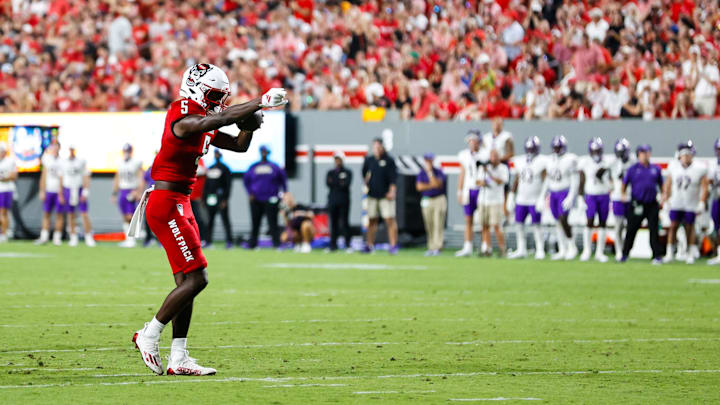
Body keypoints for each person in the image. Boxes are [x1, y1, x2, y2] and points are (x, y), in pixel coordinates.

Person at [131, 62, 286, 376]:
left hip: (181, 200)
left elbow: (239, 146)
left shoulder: (204, 117)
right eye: (214, 94)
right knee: (198, 278)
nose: (218, 100)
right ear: (195, 87)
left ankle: (179, 357)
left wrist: (250, 126)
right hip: (166, 201)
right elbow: (217, 118)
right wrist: (259, 102)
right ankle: (149, 333)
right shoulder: (182, 112)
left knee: (185, 282)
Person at [661, 141, 708, 264]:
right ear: (679, 156)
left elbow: (705, 187)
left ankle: (690, 253)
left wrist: (702, 202)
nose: (686, 157)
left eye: (688, 155)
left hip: (690, 203)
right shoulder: (673, 167)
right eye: (684, 155)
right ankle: (670, 252)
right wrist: (666, 199)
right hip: (676, 202)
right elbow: (667, 184)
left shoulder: (699, 168)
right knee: (673, 226)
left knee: (690, 228)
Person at [620, 144, 663, 264]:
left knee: (654, 230)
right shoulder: (632, 169)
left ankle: (656, 256)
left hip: (652, 203)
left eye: (647, 152)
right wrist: (623, 195)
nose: (645, 155)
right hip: (637, 203)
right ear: (638, 154)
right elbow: (624, 184)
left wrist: (663, 196)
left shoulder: (655, 169)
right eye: (642, 153)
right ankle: (625, 254)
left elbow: (661, 184)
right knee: (631, 229)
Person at [538, 135, 579, 260]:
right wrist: (542, 196)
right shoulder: (550, 160)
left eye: (558, 147)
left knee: (564, 219)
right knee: (557, 221)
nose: (556, 149)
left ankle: (572, 247)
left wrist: (571, 196)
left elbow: (575, 180)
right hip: (553, 193)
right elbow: (548, 180)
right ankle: (562, 249)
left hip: (564, 191)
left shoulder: (570, 159)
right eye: (555, 147)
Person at [508, 136, 547, 259]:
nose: (530, 151)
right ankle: (521, 249)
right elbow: (517, 179)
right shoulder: (520, 161)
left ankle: (540, 249)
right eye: (529, 148)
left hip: (535, 199)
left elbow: (546, 181)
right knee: (519, 224)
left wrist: (543, 197)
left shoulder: (541, 161)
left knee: (537, 225)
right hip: (521, 198)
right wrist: (511, 195)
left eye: (533, 148)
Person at [244, 145, 288, 249]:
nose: (264, 153)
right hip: (256, 199)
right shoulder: (253, 167)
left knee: (273, 222)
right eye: (262, 151)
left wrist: (284, 193)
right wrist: (250, 193)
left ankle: (276, 244)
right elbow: (246, 181)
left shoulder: (274, 167)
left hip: (271, 199)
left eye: (265, 151)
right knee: (255, 223)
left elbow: (283, 180)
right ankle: (253, 244)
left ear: (268, 153)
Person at [361, 138, 398, 254]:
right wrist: (366, 183)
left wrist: (392, 191)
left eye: (378, 147)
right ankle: (370, 245)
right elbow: (364, 173)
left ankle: (393, 245)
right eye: (374, 147)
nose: (376, 149)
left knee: (389, 220)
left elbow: (393, 178)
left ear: (382, 147)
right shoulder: (369, 160)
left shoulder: (389, 160)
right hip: (372, 195)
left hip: (385, 196)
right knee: (372, 220)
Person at [578, 138, 612, 262]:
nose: (596, 153)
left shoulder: (607, 162)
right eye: (594, 150)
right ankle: (587, 250)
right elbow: (581, 181)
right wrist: (580, 198)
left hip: (603, 195)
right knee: (589, 221)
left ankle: (599, 252)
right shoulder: (585, 162)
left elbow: (612, 180)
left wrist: (606, 182)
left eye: (598, 150)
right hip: (591, 195)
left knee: (603, 222)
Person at [455, 130, 485, 257]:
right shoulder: (464, 155)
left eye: (475, 140)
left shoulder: (485, 154)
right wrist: (459, 191)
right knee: (468, 219)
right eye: (471, 140)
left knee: (483, 220)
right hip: (469, 189)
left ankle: (485, 246)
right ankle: (468, 246)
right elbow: (462, 173)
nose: (473, 143)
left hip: (481, 190)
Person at [60, 144, 95, 247]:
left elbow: (86, 176)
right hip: (68, 189)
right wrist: (61, 193)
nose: (71, 152)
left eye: (72, 150)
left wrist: (85, 191)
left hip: (78, 188)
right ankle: (73, 237)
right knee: (70, 214)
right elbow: (62, 178)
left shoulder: (80, 161)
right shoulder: (64, 162)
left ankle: (88, 236)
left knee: (84, 213)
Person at [477, 149, 509, 256]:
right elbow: (477, 181)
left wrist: (489, 173)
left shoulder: (503, 168)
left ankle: (502, 248)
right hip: (484, 200)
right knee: (484, 225)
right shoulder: (484, 167)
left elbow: (501, 181)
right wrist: (483, 182)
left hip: (496, 200)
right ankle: (487, 248)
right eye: (492, 156)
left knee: (496, 225)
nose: (493, 159)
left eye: (495, 156)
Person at [113, 143, 144, 248]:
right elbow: (117, 178)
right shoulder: (120, 163)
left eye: (128, 151)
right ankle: (128, 239)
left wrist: (139, 191)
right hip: (122, 190)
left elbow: (141, 177)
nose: (126, 153)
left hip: (131, 190)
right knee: (124, 215)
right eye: (125, 151)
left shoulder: (136, 163)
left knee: (130, 216)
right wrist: (114, 192)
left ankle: (132, 239)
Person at [416, 153, 447, 256]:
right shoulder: (421, 172)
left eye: (430, 160)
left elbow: (438, 185)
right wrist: (431, 185)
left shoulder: (438, 171)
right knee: (429, 224)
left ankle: (438, 247)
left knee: (438, 223)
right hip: (427, 200)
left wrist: (430, 173)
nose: (428, 162)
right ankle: (431, 247)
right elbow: (419, 187)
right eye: (427, 160)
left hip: (438, 199)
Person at [35, 143, 64, 245]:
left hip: (58, 191)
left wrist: (61, 193)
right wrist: (42, 190)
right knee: (46, 214)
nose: (55, 149)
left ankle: (57, 238)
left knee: (59, 215)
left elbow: (62, 178)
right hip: (48, 190)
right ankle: (44, 237)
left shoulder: (62, 161)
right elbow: (44, 175)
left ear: (59, 148)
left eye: (56, 147)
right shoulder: (47, 159)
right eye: (53, 147)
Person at [204, 150, 233, 249]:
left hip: (221, 198)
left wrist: (225, 199)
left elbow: (228, 185)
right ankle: (208, 241)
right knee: (210, 220)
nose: (216, 156)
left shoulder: (225, 169)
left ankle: (229, 241)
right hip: (211, 198)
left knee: (225, 220)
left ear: (220, 155)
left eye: (218, 154)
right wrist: (204, 198)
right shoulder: (211, 168)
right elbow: (206, 185)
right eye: (215, 154)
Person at [610, 139, 634, 259]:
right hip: (618, 197)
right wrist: (611, 187)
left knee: (630, 226)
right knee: (618, 225)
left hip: (630, 197)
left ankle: (627, 249)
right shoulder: (613, 162)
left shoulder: (633, 162)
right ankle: (619, 250)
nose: (620, 154)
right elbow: (605, 175)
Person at [326, 151, 353, 252]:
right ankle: (333, 245)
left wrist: (336, 182)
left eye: (339, 159)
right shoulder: (331, 172)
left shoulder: (347, 172)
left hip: (344, 200)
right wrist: (339, 182)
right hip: (333, 200)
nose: (337, 161)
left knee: (345, 222)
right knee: (333, 223)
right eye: (336, 159)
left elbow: (345, 184)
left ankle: (347, 244)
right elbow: (328, 184)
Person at [0, 143, 17, 242]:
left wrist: (3, 178)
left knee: (3, 212)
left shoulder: (10, 161)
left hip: (6, 189)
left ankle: (4, 233)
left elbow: (14, 176)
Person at [707, 138, 720, 265]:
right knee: (714, 228)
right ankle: (717, 253)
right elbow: (709, 181)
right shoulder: (713, 164)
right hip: (716, 199)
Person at [142, 158, 156, 247]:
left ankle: (160, 240)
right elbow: (144, 181)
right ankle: (149, 238)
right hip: (150, 195)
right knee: (147, 217)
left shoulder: (164, 168)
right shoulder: (150, 169)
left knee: (161, 218)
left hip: (160, 194)